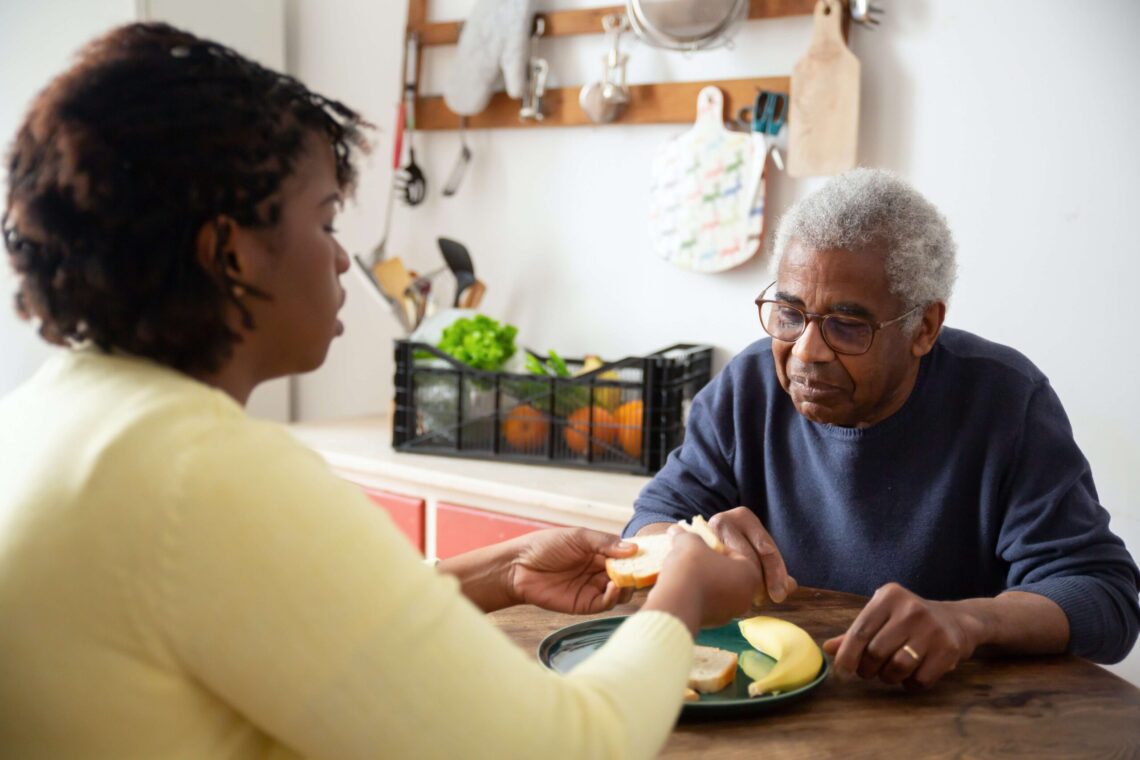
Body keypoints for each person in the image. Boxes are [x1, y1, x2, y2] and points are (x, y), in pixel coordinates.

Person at [0, 24, 764, 757]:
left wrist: (503, 571)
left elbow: (291, 625)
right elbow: (565, 746)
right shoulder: (202, 472)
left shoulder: (49, 417)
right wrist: (683, 595)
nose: (341, 260)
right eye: (326, 219)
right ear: (228, 253)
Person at [627, 168, 1140, 689]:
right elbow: (650, 521)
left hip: (953, 714)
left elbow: (1104, 597)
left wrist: (970, 620)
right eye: (789, 313)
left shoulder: (1005, 402)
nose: (806, 351)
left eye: (847, 326)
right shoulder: (748, 388)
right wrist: (684, 544)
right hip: (774, 703)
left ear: (925, 328)